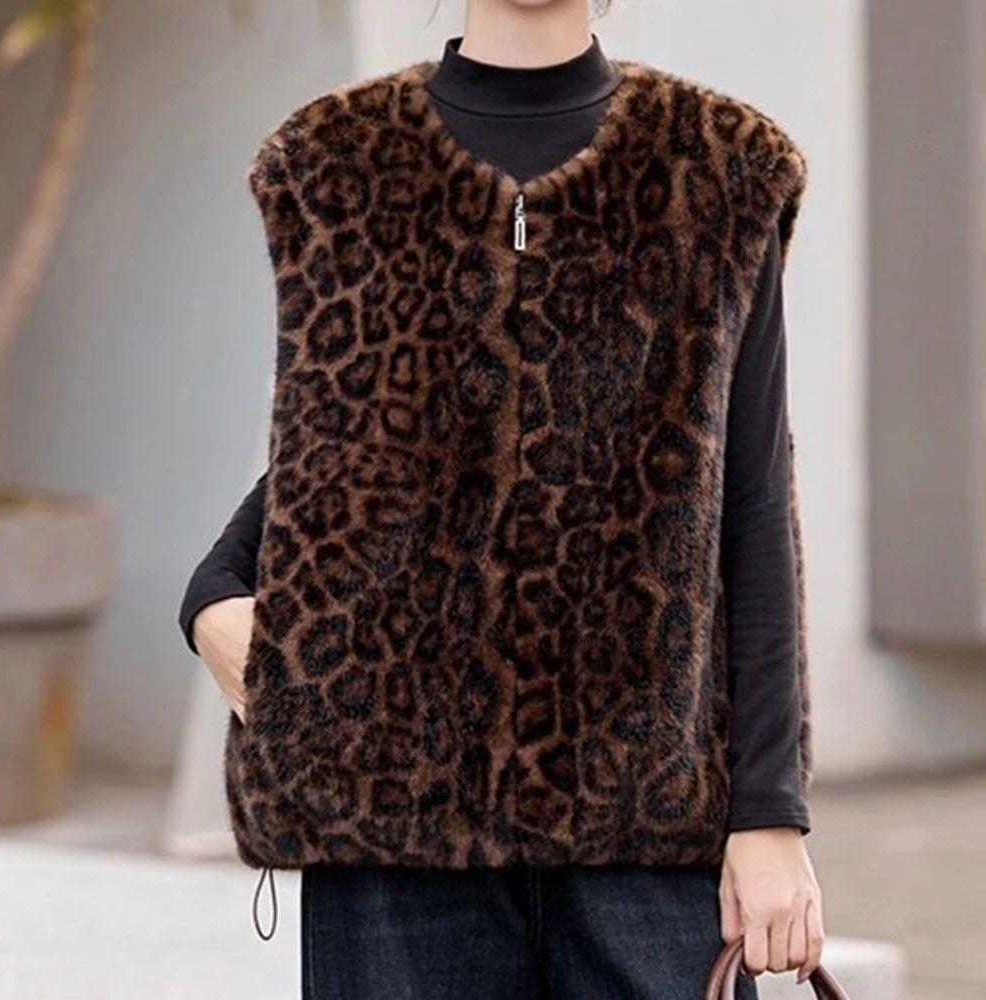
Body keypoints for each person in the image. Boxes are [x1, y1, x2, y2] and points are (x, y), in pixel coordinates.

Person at [178, 2, 825, 997]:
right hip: (395, 834)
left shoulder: (721, 166)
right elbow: (331, 457)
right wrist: (218, 601)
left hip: (646, 831)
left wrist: (770, 814)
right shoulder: (337, 162)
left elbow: (753, 502)